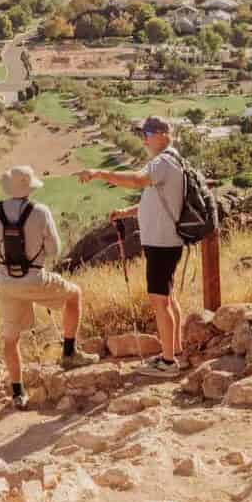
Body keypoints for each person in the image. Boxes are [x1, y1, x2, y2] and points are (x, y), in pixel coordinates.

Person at [0, 165, 97, 410]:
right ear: (30, 187)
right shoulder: (40, 211)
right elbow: (54, 250)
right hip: (35, 279)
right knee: (74, 295)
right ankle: (69, 353)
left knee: (10, 339)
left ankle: (18, 393)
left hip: (6, 283)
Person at [80, 115, 186, 376]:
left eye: (147, 134)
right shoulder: (171, 161)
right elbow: (159, 203)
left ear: (162, 133)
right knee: (168, 297)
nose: (143, 139)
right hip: (165, 240)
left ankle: (169, 363)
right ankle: (176, 349)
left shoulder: (162, 162)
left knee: (159, 300)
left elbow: (137, 180)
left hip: (162, 242)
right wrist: (127, 212)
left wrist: (98, 173)